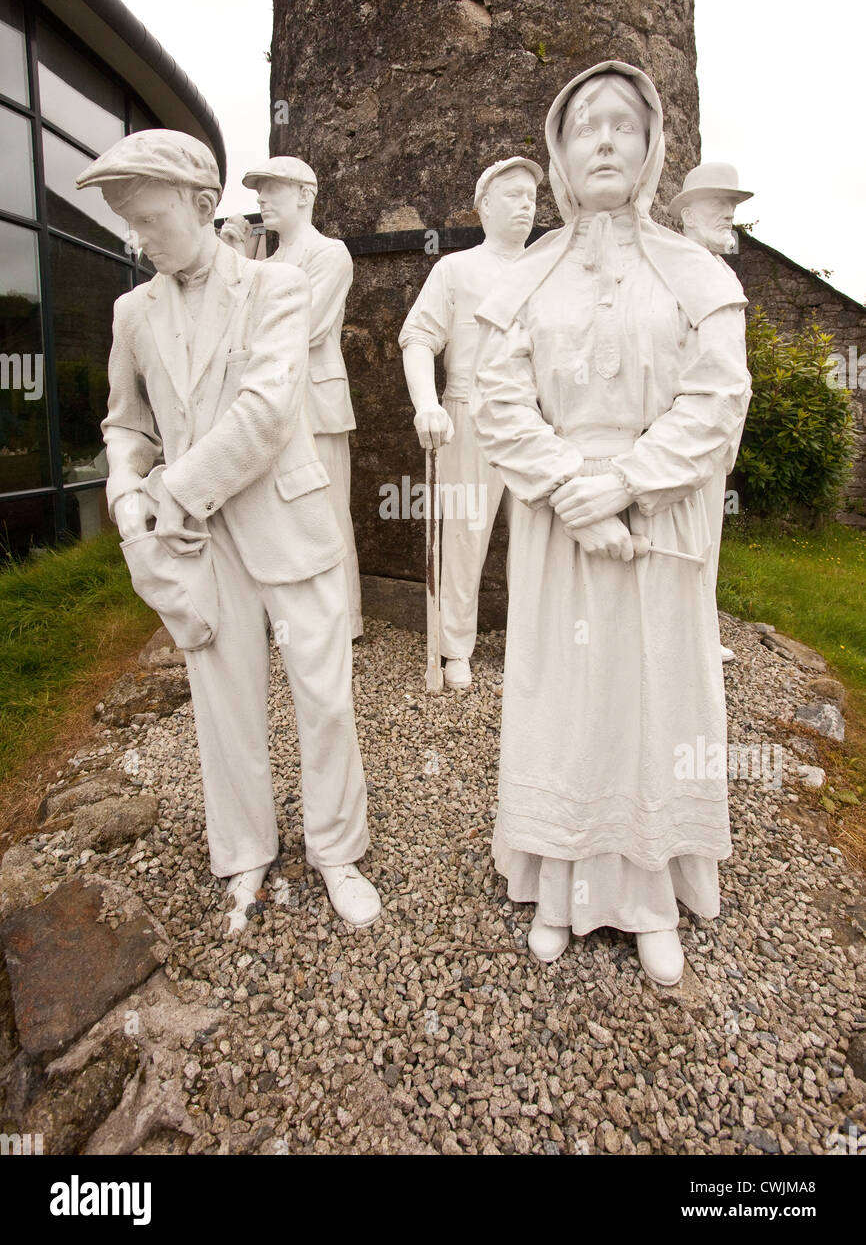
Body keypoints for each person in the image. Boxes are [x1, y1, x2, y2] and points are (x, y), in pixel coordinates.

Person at [470, 64, 751, 983]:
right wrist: (568, 490)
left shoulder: (693, 270)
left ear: (650, 148)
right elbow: (498, 398)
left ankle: (648, 896)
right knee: (567, 699)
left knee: (653, 698)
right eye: (584, 125)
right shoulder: (529, 276)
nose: (602, 140)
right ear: (558, 149)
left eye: (622, 126)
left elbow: (717, 399)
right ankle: (560, 887)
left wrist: (627, 483)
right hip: (561, 532)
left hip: (659, 526)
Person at [77, 130, 380, 933]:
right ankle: (245, 850)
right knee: (224, 702)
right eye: (128, 225)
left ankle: (337, 850)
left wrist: (169, 490)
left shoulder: (277, 288)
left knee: (322, 694)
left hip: (286, 514)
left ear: (204, 206)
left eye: (148, 218)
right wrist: (121, 494)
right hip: (196, 545)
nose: (138, 238)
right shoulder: (131, 312)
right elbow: (125, 425)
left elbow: (268, 411)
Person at [399, 157, 543, 689]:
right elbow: (418, 338)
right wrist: (426, 403)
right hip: (470, 414)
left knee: (537, 538)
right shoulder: (456, 269)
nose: (526, 205)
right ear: (483, 205)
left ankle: (533, 643)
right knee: (464, 535)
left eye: (531, 195)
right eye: (512, 194)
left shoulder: (548, 268)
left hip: (534, 422)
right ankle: (456, 645)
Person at [239, 157, 363, 639]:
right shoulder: (261, 267)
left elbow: (302, 329)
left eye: (272, 189)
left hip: (317, 406)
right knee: (278, 515)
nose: (262, 200)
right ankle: (291, 620)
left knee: (329, 513)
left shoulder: (330, 254)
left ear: (305, 195)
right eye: (259, 192)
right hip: (272, 405)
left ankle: (344, 621)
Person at [669, 163, 755, 660]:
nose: (728, 214)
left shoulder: (720, 270)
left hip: (719, 428)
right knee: (684, 533)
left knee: (708, 536)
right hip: (688, 424)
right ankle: (681, 633)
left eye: (733, 208)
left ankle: (700, 627)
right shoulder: (678, 268)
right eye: (717, 205)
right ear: (688, 215)